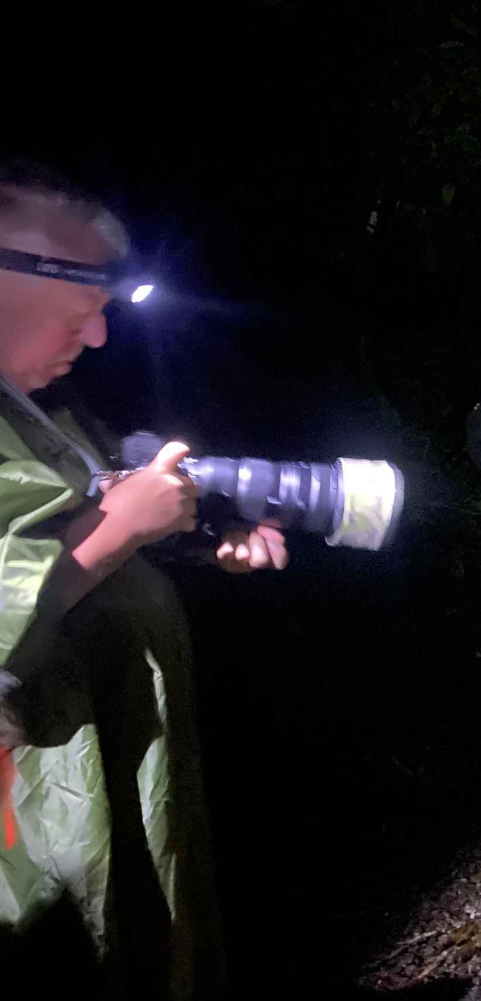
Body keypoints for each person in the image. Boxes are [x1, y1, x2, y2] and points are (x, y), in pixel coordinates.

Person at [0, 162, 287, 997]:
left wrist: (192, 537)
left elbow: (81, 529)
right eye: (88, 297)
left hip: (116, 779)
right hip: (29, 836)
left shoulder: (41, 413)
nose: (97, 338)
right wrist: (122, 526)